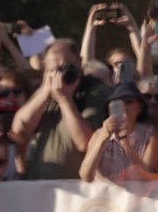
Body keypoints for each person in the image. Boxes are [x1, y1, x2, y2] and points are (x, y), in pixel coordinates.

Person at [12, 40, 109, 180]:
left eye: (64, 67)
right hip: (38, 185)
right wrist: (45, 91)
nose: (58, 75)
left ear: (78, 61)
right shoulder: (44, 91)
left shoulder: (95, 91)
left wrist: (64, 100)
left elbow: (85, 143)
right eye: (52, 70)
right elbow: (19, 130)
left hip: (77, 187)